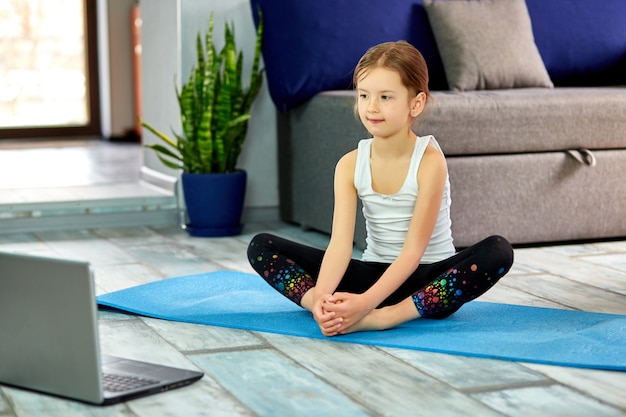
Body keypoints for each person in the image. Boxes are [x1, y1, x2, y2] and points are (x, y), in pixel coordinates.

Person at [247, 40, 514, 336]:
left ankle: (385, 317)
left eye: (386, 97)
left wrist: (366, 307)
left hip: (427, 284)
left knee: (498, 251)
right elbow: (339, 246)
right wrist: (322, 298)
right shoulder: (349, 165)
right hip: (372, 274)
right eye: (364, 95)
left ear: (416, 103)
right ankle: (326, 309)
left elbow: (413, 253)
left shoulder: (429, 162)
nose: (371, 107)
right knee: (261, 246)